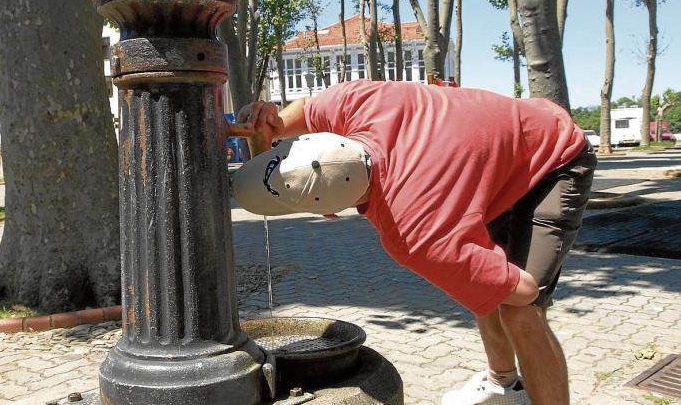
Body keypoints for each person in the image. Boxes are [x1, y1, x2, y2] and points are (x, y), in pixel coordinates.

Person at [231, 80, 596, 405]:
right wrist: (271, 131)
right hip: (497, 160)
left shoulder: (416, 234)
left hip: (554, 156)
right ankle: (504, 384)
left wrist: (491, 278)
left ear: (330, 212)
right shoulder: (351, 101)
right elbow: (308, 110)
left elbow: (525, 290)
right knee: (481, 283)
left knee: (519, 311)